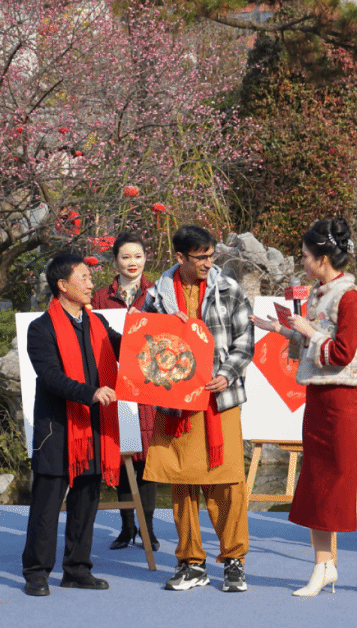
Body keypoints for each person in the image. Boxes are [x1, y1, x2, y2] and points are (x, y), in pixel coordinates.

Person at [252, 218, 357, 598]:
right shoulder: (318, 293)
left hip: (344, 401)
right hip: (318, 399)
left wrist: (307, 330)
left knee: (349, 485)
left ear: (323, 258)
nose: (302, 260)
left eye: (305, 255)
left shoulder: (352, 297)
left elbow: (342, 353)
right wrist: (279, 329)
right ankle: (323, 566)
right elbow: (311, 344)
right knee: (316, 481)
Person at [142, 225, 254, 593]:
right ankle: (191, 562)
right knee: (182, 482)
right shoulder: (157, 296)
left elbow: (245, 341)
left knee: (228, 481)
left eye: (211, 255)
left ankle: (234, 560)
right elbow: (145, 344)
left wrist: (227, 373)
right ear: (180, 257)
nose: (208, 263)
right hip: (177, 404)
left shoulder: (229, 289)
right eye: (200, 257)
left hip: (219, 400)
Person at [22, 254, 124, 597]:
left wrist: (158, 330)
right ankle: (36, 572)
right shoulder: (41, 328)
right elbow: (50, 376)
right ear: (63, 285)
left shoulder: (98, 323)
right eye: (84, 277)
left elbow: (128, 348)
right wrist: (90, 393)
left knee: (86, 500)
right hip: (57, 426)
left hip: (93, 425)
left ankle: (77, 569)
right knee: (47, 504)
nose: (91, 283)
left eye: (90, 277)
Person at [90, 232, 158, 552]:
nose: (132, 263)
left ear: (146, 258)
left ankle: (148, 529)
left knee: (147, 461)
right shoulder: (100, 298)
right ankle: (126, 527)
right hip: (114, 386)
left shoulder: (157, 294)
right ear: (115, 261)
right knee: (122, 457)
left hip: (149, 387)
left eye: (138, 256)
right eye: (125, 257)